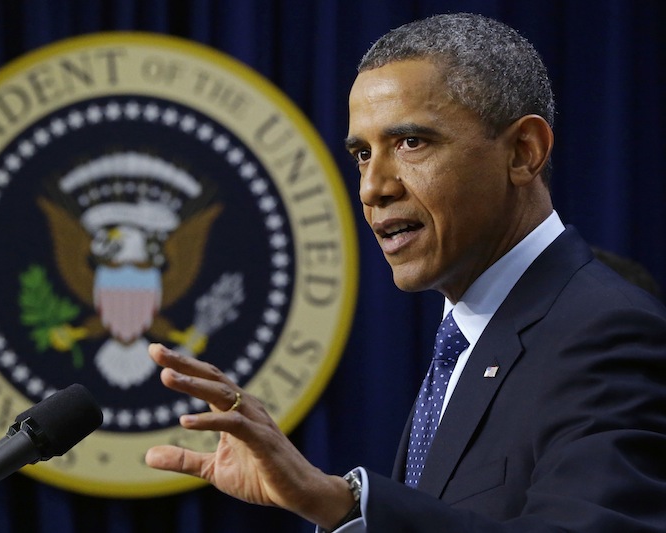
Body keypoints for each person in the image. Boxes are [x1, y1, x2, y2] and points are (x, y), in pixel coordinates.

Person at [144, 12, 666, 532]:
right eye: (362, 153)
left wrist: (344, 505)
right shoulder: (466, 339)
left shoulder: (608, 332)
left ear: (523, 152)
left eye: (411, 143)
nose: (373, 187)